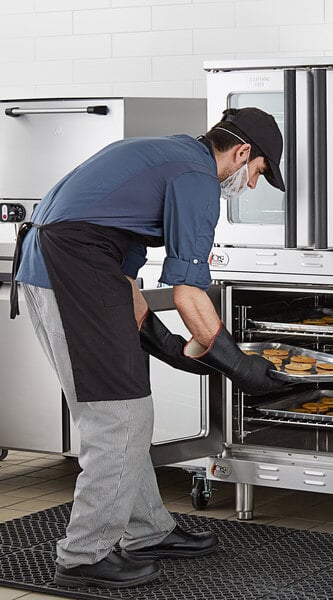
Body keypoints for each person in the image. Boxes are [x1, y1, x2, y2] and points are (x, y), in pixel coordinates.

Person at [9, 107, 287, 589]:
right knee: (119, 416)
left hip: (62, 265)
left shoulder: (170, 153)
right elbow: (188, 292)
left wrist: (176, 347)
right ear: (242, 153)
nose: (254, 184)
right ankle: (82, 557)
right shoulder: (198, 177)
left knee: (123, 411)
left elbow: (130, 288)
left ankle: (146, 531)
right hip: (72, 270)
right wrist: (238, 366)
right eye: (260, 171)